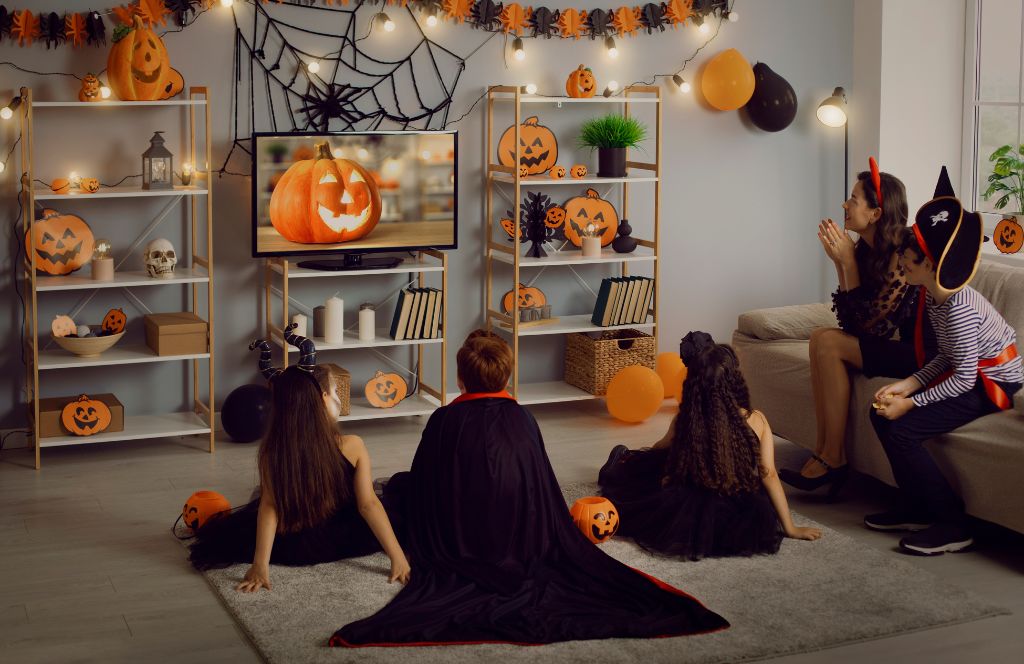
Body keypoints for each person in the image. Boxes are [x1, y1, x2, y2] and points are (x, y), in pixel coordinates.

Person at [330, 330, 728, 647]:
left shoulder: (443, 421)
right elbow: (540, 488)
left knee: (401, 493)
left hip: (460, 529)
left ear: (460, 378)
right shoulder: (522, 418)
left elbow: (429, 483)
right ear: (506, 376)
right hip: (517, 526)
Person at [188, 325, 411, 591]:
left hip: (294, 544)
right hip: (340, 538)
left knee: (256, 506)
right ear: (322, 399)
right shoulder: (352, 445)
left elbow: (269, 508)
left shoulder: (274, 451)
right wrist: (398, 557)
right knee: (403, 493)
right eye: (335, 393)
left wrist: (261, 564)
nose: (338, 399)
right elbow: (368, 506)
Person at [868, 176, 1022, 555]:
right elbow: (946, 358)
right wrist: (907, 385)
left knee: (903, 429)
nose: (902, 259)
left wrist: (911, 403)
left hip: (993, 385)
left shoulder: (958, 309)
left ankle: (953, 524)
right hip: (967, 376)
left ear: (930, 264)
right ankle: (917, 508)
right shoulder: (934, 298)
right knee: (880, 415)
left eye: (909, 255)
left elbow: (966, 377)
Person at [780, 157, 932, 497]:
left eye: (853, 199)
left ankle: (833, 459)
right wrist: (843, 262)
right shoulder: (866, 248)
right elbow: (851, 321)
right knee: (823, 339)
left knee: (829, 343)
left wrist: (845, 261)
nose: (845, 204)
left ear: (876, 213)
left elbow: (871, 328)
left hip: (924, 355)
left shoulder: (902, 252)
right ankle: (824, 452)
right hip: (895, 345)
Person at [599, 332, 821, 560]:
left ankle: (622, 460)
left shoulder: (687, 418)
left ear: (694, 384)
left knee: (653, 466)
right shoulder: (757, 420)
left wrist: (642, 461)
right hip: (737, 502)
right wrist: (790, 527)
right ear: (735, 381)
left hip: (691, 496)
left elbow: (661, 447)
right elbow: (769, 474)